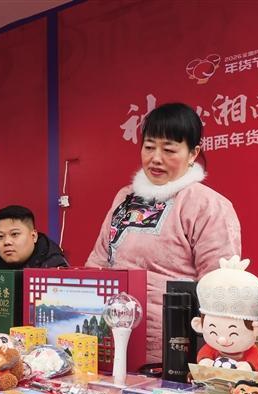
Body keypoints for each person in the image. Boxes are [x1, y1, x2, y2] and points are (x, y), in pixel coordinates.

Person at [86, 103, 241, 364]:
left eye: (169, 150)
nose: (156, 158)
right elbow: (98, 262)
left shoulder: (208, 205)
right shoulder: (124, 198)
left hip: (174, 350)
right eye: (149, 147)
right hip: (111, 340)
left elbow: (219, 286)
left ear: (193, 154)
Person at [0, 205, 68, 269]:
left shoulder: (55, 266)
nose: (6, 242)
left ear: (34, 236)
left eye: (14, 234)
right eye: (0, 236)